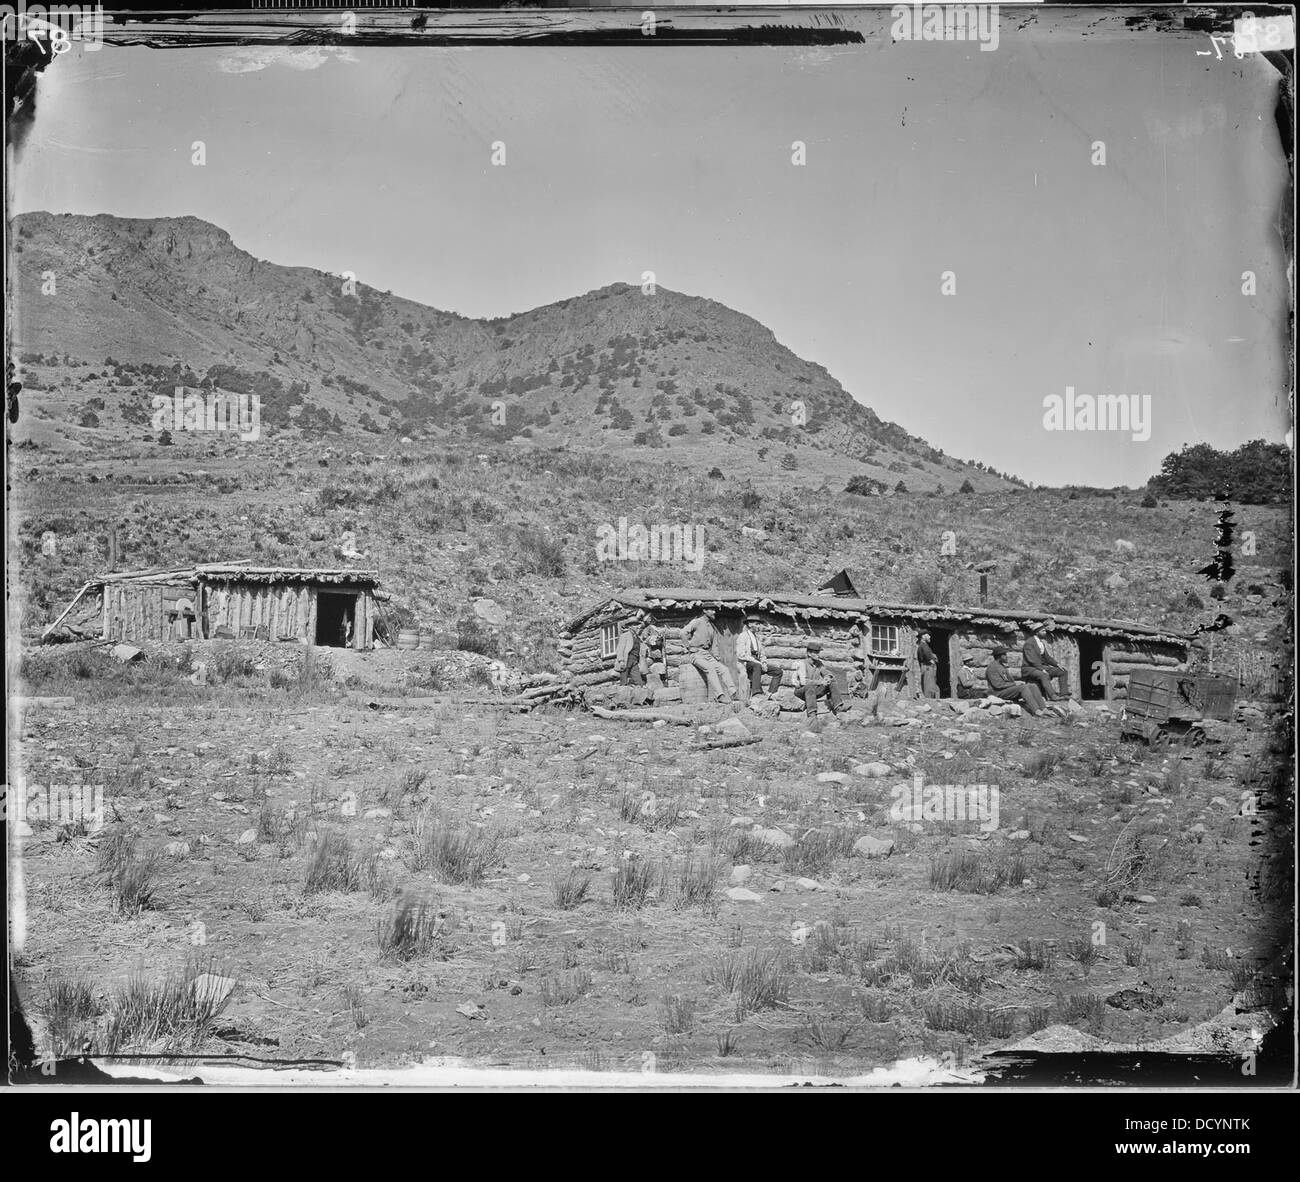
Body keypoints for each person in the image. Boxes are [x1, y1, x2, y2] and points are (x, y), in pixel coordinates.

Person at [683, 607, 739, 703]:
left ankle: (733, 693)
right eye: (712, 610)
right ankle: (720, 696)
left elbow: (714, 645)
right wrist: (688, 647)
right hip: (696, 654)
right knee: (710, 669)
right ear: (704, 611)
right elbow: (683, 633)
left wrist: (716, 657)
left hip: (707, 655)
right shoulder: (697, 622)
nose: (714, 612)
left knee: (724, 669)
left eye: (714, 610)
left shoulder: (711, 626)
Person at [984, 646, 1049, 715]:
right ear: (1000, 656)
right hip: (998, 692)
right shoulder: (992, 668)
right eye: (1005, 655)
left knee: (1032, 686)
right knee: (1023, 688)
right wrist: (1014, 685)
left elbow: (1008, 680)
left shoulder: (1001, 666)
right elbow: (998, 685)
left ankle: (1043, 708)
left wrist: (1014, 685)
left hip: (1006, 690)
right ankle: (1036, 711)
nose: (1007, 657)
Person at [792, 640, 844, 718]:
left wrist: (828, 677)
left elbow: (826, 672)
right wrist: (820, 682)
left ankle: (838, 707)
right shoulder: (802, 664)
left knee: (832, 681)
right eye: (816, 652)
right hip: (801, 691)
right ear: (809, 653)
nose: (818, 655)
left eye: (818, 652)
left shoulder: (819, 663)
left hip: (813, 691)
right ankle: (812, 713)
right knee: (809, 685)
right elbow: (804, 682)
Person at [736, 614, 783, 699]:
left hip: (757, 663)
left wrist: (764, 663)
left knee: (778, 671)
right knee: (757, 666)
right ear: (750, 624)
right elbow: (741, 655)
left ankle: (770, 693)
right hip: (746, 664)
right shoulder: (743, 636)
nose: (759, 626)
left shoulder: (757, 638)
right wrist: (757, 662)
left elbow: (762, 654)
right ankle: (756, 692)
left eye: (759, 624)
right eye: (757, 624)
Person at [1021, 620, 1070, 701]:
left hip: (1039, 667)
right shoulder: (1029, 643)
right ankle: (1053, 696)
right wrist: (1042, 669)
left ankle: (1064, 694)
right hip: (1029, 668)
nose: (1045, 632)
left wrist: (1057, 664)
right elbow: (1032, 660)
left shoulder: (1041, 643)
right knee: (1044, 675)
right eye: (1043, 631)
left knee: (1063, 671)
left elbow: (1047, 657)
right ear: (1037, 632)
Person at [636, 611, 666, 691]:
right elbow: (644, 639)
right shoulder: (646, 629)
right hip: (648, 653)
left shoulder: (653, 628)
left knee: (656, 668)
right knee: (644, 667)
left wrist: (652, 639)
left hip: (655, 653)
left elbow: (656, 641)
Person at [614, 622, 644, 687]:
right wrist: (621, 660)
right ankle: (623, 691)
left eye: (637, 625)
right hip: (627, 658)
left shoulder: (637, 637)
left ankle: (641, 689)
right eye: (635, 625)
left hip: (635, 659)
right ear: (630, 627)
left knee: (638, 678)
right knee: (624, 677)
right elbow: (620, 649)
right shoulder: (625, 635)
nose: (637, 627)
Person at [917, 630, 940, 699]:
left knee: (933, 686)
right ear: (923, 636)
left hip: (927, 667)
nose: (930, 636)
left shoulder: (924, 645)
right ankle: (929, 703)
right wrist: (933, 659)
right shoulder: (923, 646)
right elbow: (928, 657)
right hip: (928, 667)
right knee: (929, 688)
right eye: (928, 635)